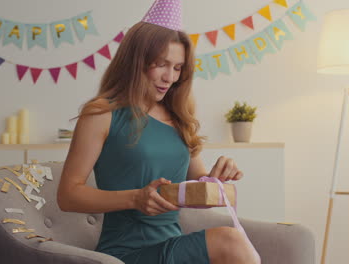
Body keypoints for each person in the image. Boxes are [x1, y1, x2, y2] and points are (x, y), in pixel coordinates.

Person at [57, 1, 258, 264]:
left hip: (171, 245)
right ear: (136, 61)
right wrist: (135, 198)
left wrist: (218, 177)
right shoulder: (101, 114)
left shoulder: (179, 119)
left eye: (177, 68)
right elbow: (67, 195)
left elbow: (199, 188)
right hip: (124, 254)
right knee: (229, 240)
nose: (170, 77)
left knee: (232, 242)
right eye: (161, 64)